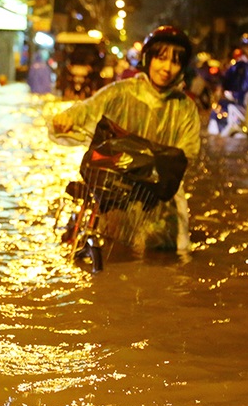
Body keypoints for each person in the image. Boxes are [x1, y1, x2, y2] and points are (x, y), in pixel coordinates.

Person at [50, 26, 201, 252]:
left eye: (175, 62)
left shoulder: (186, 108)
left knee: (167, 260)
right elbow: (88, 109)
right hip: (115, 196)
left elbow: (187, 154)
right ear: (148, 59)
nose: (167, 68)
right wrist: (66, 118)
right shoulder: (120, 92)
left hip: (160, 204)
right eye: (161, 59)